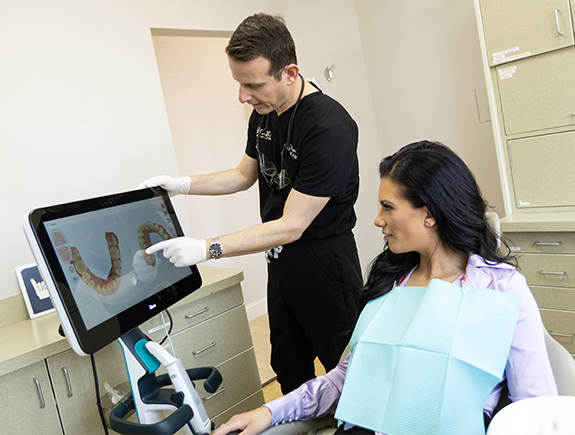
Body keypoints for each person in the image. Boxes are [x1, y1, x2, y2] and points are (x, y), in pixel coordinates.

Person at [212, 141, 558, 435]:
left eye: (388, 207)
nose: (378, 219)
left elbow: (536, 407)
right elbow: (345, 379)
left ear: (430, 214)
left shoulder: (501, 290)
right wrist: (270, 412)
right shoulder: (391, 281)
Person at [139, 13, 363, 394]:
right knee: (288, 366)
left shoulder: (329, 126)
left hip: (324, 265)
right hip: (280, 261)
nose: (243, 96)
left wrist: (207, 249)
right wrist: (181, 185)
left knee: (347, 369)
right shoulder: (265, 113)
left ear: (290, 73)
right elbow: (244, 175)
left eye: (253, 84)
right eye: (239, 83)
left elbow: (294, 224)